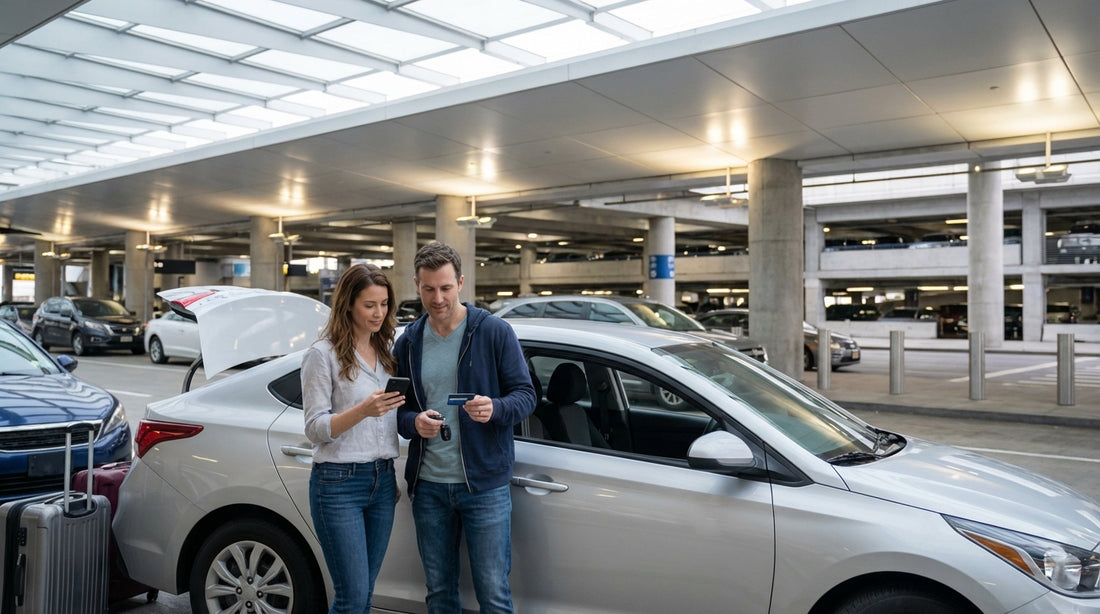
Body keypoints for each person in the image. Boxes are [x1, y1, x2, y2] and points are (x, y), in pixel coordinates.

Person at [395, 241, 536, 614]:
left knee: (493, 593)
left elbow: (526, 396)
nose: (437, 298)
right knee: (439, 593)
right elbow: (396, 410)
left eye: (445, 288)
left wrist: (496, 408)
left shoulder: (493, 332)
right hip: (429, 488)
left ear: (460, 282)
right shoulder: (408, 342)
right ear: (417, 285)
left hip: (484, 485)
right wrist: (414, 422)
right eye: (428, 289)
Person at [302, 263, 405, 614]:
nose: (379, 313)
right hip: (338, 484)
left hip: (382, 478)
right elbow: (314, 428)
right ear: (348, 304)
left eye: (384, 304)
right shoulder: (322, 354)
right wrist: (362, 410)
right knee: (351, 596)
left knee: (366, 595)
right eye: (369, 305)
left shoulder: (388, 351)